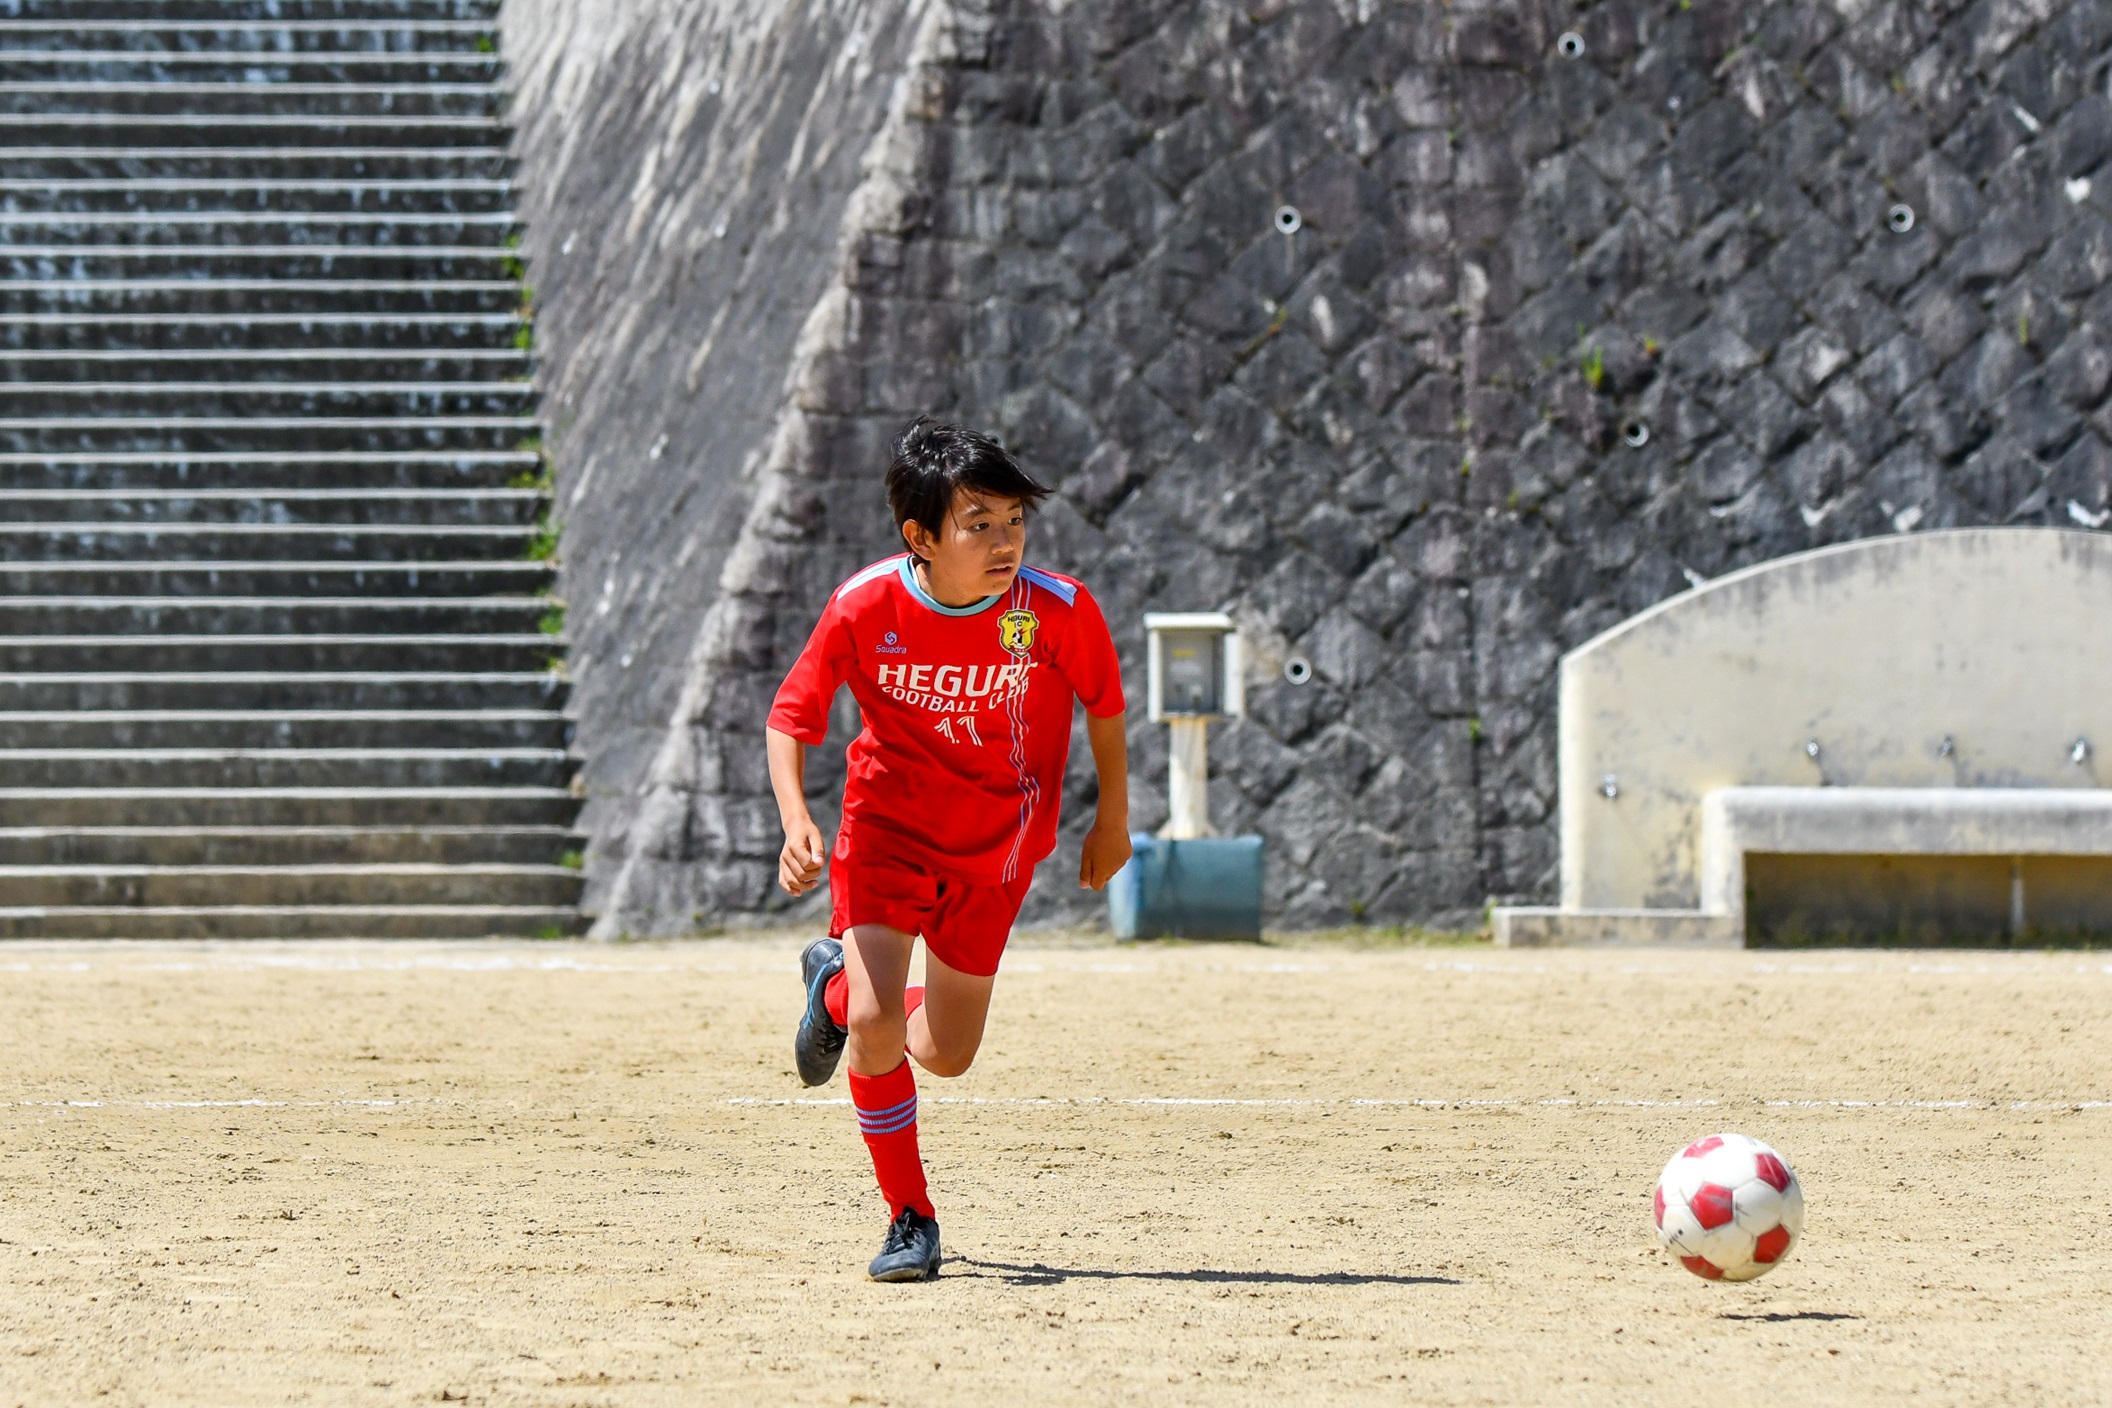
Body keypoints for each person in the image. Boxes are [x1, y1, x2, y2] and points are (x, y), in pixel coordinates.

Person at [764, 418, 1132, 1282]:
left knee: (948, 1052)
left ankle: (834, 986)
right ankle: (909, 1217)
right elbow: (791, 716)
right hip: (885, 833)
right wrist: (795, 819)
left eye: (1015, 521)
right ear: (920, 537)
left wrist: (1112, 819)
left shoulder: (1056, 610)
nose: (1006, 542)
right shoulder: (865, 606)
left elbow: (1105, 706)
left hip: (998, 849)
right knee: (879, 1028)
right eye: (980, 525)